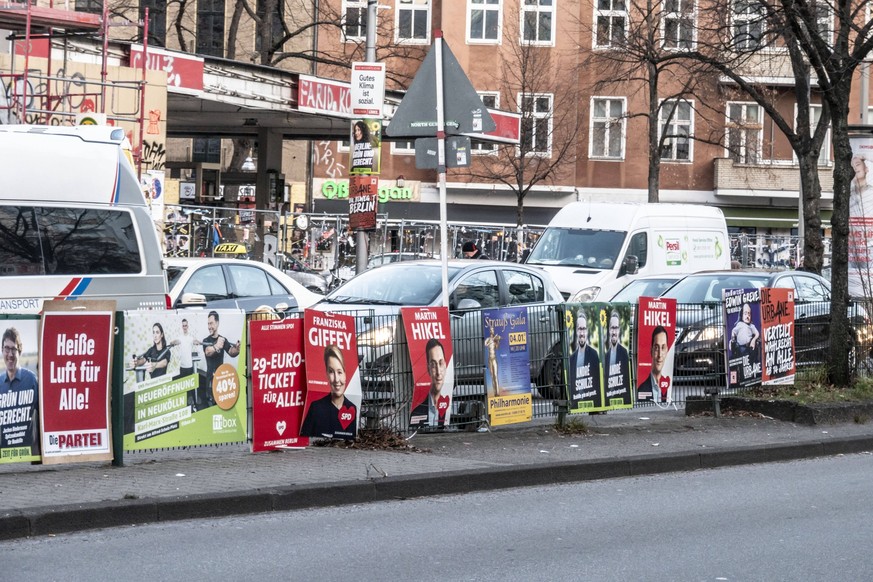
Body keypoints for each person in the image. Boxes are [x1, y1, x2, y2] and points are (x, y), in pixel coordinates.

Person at [300, 345, 358, 439]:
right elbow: (304, 439)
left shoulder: (352, 408)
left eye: (339, 372)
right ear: (326, 374)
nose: (336, 379)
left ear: (345, 375)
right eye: (331, 372)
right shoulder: (316, 408)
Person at [1, 327, 39, 457]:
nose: (10, 354)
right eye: (7, 348)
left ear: (20, 352)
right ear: (2, 350)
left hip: (29, 452)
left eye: (14, 349)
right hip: (5, 454)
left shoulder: (32, 380)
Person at [201, 311, 241, 409]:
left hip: (221, 382)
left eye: (211, 323)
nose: (209, 326)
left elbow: (231, 352)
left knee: (221, 409)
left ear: (217, 323)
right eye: (208, 324)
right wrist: (216, 346)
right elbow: (207, 351)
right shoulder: (206, 341)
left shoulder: (223, 339)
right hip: (210, 382)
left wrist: (237, 349)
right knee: (211, 409)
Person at [412, 338, 450, 428]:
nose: (438, 372)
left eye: (441, 363)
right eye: (433, 365)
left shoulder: (450, 408)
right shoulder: (417, 412)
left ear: (445, 365)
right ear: (428, 369)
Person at [568, 309, 602, 406]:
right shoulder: (572, 358)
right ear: (576, 331)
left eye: (584, 329)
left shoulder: (594, 355)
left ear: (587, 331)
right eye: (579, 329)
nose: (582, 333)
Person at [638, 325, 669, 403]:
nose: (659, 355)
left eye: (663, 348)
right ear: (651, 351)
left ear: (667, 351)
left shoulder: (668, 387)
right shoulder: (642, 389)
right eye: (656, 348)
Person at [602, 309, 630, 392]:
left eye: (616, 328)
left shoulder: (624, 353)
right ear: (609, 330)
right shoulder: (605, 356)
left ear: (619, 330)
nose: (614, 332)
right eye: (612, 328)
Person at [484, 324, 501, 396]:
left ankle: (497, 393)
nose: (492, 331)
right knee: (492, 376)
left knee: (495, 375)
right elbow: (485, 345)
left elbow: (497, 347)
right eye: (491, 330)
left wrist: (497, 341)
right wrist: (492, 340)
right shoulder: (488, 339)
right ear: (489, 331)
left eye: (493, 330)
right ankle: (494, 393)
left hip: (494, 358)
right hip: (489, 359)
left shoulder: (495, 339)